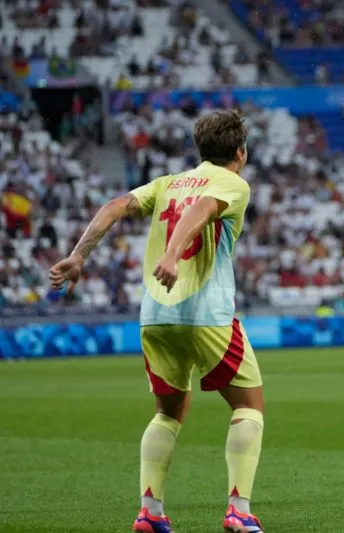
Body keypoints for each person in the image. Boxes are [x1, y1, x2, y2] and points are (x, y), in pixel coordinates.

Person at [48, 110, 265, 533]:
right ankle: (238, 510)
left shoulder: (168, 183)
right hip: (207, 314)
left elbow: (115, 206)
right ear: (240, 152)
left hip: (155, 315)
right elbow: (203, 208)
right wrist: (171, 255)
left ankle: (150, 512)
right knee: (248, 406)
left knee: (168, 411)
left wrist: (79, 255)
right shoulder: (234, 184)